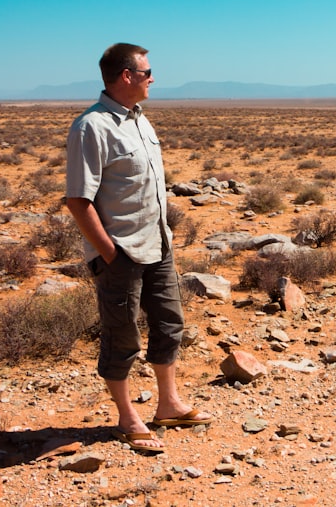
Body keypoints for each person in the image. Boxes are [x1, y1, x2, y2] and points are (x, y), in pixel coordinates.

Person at [66, 43, 211, 453]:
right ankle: (127, 416)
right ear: (127, 76)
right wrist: (109, 253)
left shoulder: (141, 122)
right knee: (122, 334)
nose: (152, 79)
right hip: (122, 251)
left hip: (157, 244)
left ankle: (169, 403)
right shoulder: (90, 127)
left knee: (169, 324)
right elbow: (79, 200)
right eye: (147, 72)